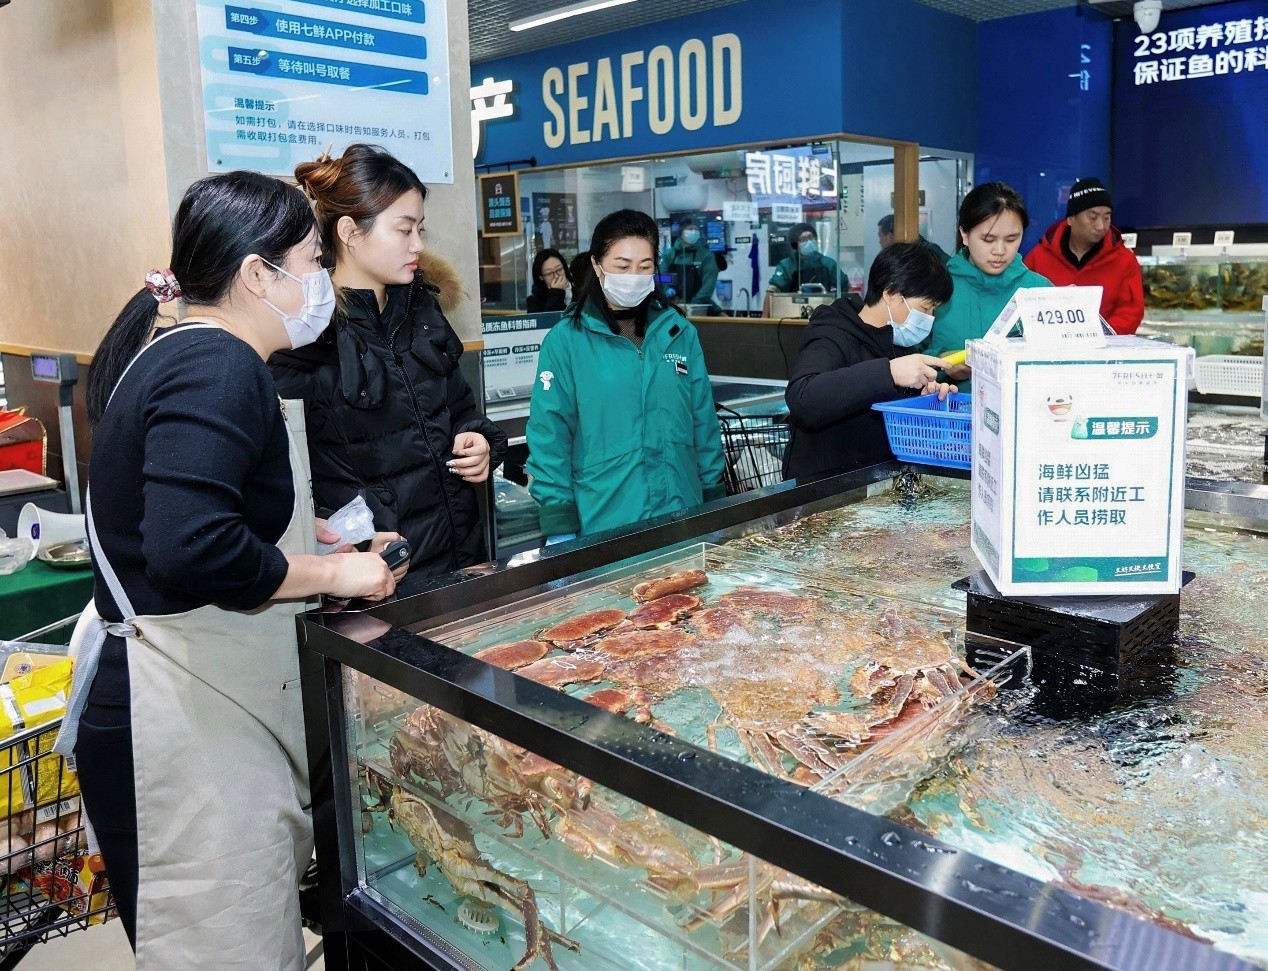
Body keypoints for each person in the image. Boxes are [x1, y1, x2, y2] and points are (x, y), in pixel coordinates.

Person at [59, 170, 397, 968]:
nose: (322, 281)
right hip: (176, 715)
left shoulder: (188, 352)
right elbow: (192, 546)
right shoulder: (217, 365)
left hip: (196, 702)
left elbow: (192, 508)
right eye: (312, 261)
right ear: (256, 274)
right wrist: (334, 576)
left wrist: (299, 532)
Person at [271, 144, 508, 586]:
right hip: (376, 573)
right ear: (349, 231)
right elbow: (297, 479)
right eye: (404, 230)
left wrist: (478, 440)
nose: (418, 244)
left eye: (420, 228)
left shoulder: (422, 311)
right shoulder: (305, 336)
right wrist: (355, 547)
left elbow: (459, 408)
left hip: (460, 553)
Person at [526, 208, 726, 542]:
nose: (634, 276)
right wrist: (559, 522)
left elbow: (703, 422)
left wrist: (714, 498)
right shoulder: (566, 341)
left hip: (682, 515)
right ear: (596, 265)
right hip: (605, 523)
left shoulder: (678, 332)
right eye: (622, 266)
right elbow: (550, 436)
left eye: (644, 266)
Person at [784, 242, 956, 479]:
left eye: (933, 310)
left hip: (877, 487)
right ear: (890, 293)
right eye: (925, 308)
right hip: (823, 488)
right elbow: (803, 398)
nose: (929, 318)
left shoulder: (900, 344)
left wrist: (925, 399)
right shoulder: (832, 332)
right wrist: (889, 373)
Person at [922, 182, 1052, 389]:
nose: (999, 250)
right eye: (988, 239)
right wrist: (942, 361)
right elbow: (905, 355)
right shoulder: (935, 286)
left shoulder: (1039, 291)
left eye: (1011, 239)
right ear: (965, 235)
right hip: (949, 406)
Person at [1023, 177, 1144, 335]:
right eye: (1093, 217)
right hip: (1049, 345)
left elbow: (1131, 310)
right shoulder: (1038, 258)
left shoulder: (1125, 260)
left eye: (1107, 217)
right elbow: (1023, 305)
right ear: (1071, 219)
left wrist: (1100, 336)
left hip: (1105, 347)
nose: (1101, 226)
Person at [658, 215, 719, 310]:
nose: (693, 232)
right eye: (689, 229)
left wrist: (692, 306)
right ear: (681, 231)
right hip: (671, 305)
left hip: (697, 307)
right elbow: (661, 277)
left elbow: (708, 287)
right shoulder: (669, 254)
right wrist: (667, 291)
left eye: (695, 229)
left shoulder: (706, 256)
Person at [768, 222, 840, 293]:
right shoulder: (786, 265)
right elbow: (774, 287)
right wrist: (771, 290)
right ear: (795, 244)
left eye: (811, 237)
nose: (809, 242)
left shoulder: (828, 263)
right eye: (803, 239)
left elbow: (843, 284)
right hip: (793, 300)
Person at [878, 213, 951, 263]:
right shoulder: (898, 255)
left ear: (890, 236)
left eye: (880, 236)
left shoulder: (929, 250)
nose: (880, 241)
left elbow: (952, 270)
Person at [526, 247, 572, 313]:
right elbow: (546, 318)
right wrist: (556, 292)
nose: (556, 276)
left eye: (559, 269)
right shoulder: (534, 301)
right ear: (541, 277)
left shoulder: (579, 289)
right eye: (549, 273)